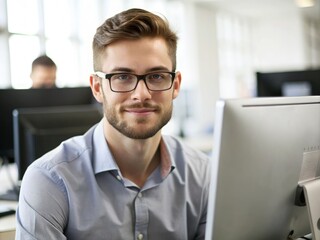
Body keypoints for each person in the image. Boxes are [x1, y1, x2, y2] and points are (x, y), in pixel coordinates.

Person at [15, 8, 211, 240]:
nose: (141, 94)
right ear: (97, 87)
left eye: (157, 76)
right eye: (122, 77)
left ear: (176, 85)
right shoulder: (50, 181)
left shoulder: (203, 173)